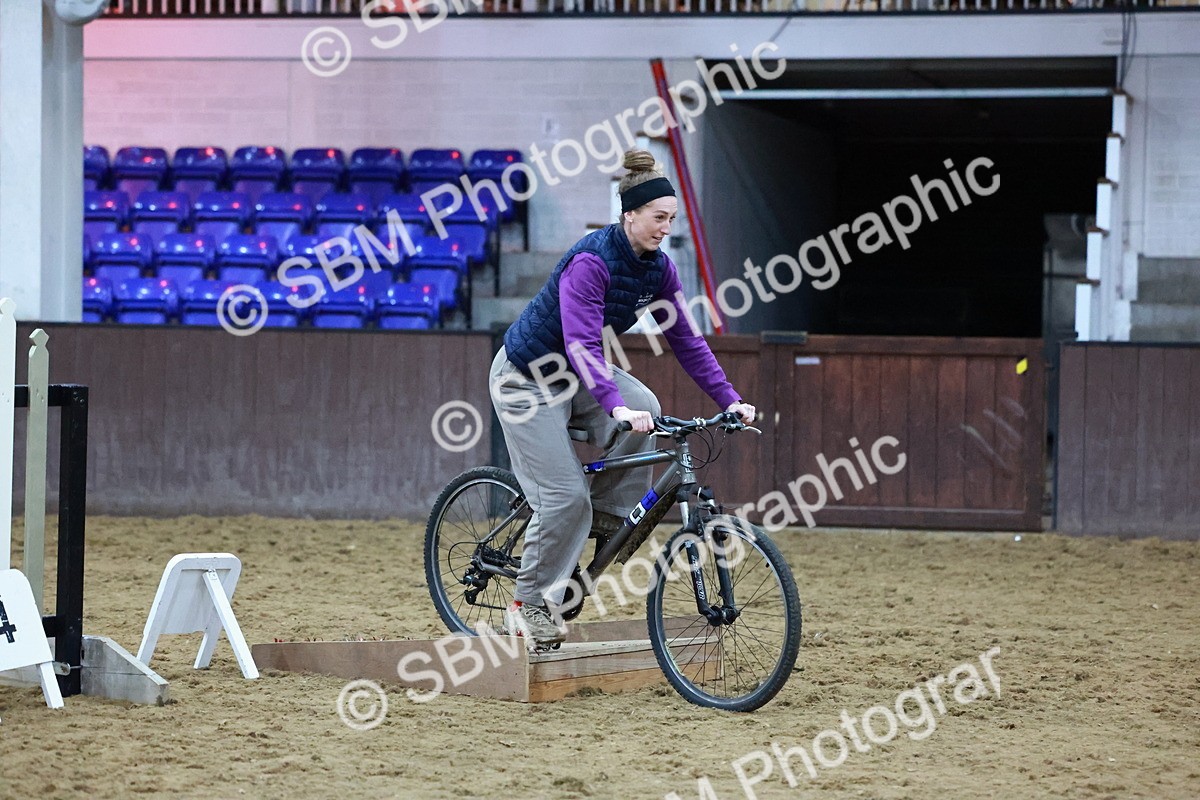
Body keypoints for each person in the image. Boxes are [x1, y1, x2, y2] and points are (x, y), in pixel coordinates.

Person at [489, 149, 756, 648]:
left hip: (577, 375)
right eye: (659, 218)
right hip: (526, 378)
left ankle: (606, 515)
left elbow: (688, 342)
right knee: (564, 497)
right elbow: (581, 344)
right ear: (630, 214)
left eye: (672, 220)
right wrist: (613, 406)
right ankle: (527, 604)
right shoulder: (592, 261)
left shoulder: (658, 270)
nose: (665, 228)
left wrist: (731, 399)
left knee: (650, 410)